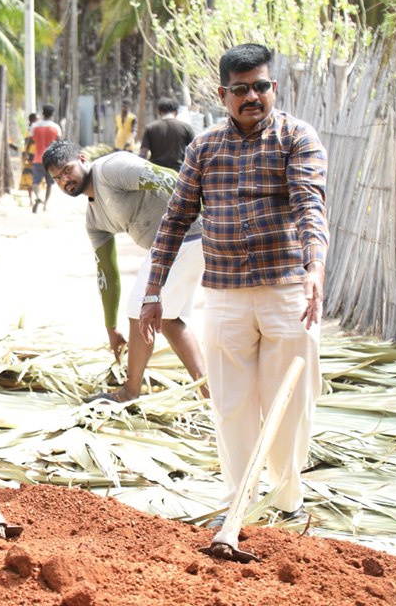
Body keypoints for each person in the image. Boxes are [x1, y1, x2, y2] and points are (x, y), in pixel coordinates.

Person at [141, 43, 328, 528]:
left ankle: (288, 503)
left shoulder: (297, 137)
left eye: (260, 86)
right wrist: (153, 291)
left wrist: (314, 267)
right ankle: (237, 506)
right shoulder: (203, 147)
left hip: (287, 293)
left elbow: (309, 204)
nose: (252, 97)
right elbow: (175, 220)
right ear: (223, 94)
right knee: (231, 406)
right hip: (224, 296)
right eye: (241, 89)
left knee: (290, 404)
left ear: (273, 87)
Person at [42, 140, 208, 403]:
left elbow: (167, 177)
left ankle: (130, 392)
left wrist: (209, 213)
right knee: (168, 319)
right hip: (176, 247)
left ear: (82, 160)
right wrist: (111, 327)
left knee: (140, 308)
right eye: (57, 178)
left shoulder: (111, 169)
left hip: (185, 236)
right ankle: (208, 392)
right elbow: (107, 273)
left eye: (67, 170)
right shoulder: (94, 219)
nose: (65, 181)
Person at [138, 96, 195, 171]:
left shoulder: (150, 128)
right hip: (177, 172)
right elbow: (195, 152)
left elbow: (143, 154)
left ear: (159, 112)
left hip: (156, 172)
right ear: (176, 112)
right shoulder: (186, 128)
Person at [30, 104, 61, 212]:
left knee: (35, 181)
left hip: (38, 158)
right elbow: (59, 143)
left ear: (42, 113)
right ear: (52, 114)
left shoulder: (35, 126)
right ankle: (45, 206)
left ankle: (38, 196)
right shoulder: (56, 127)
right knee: (49, 183)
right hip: (51, 160)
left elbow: (31, 140)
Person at [20, 112, 38, 206]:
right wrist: (26, 155)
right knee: (30, 177)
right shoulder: (31, 130)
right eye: (37, 119)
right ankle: (33, 199)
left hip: (32, 155)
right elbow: (28, 144)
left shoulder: (32, 129)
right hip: (31, 156)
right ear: (33, 120)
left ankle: (33, 199)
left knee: (30, 177)